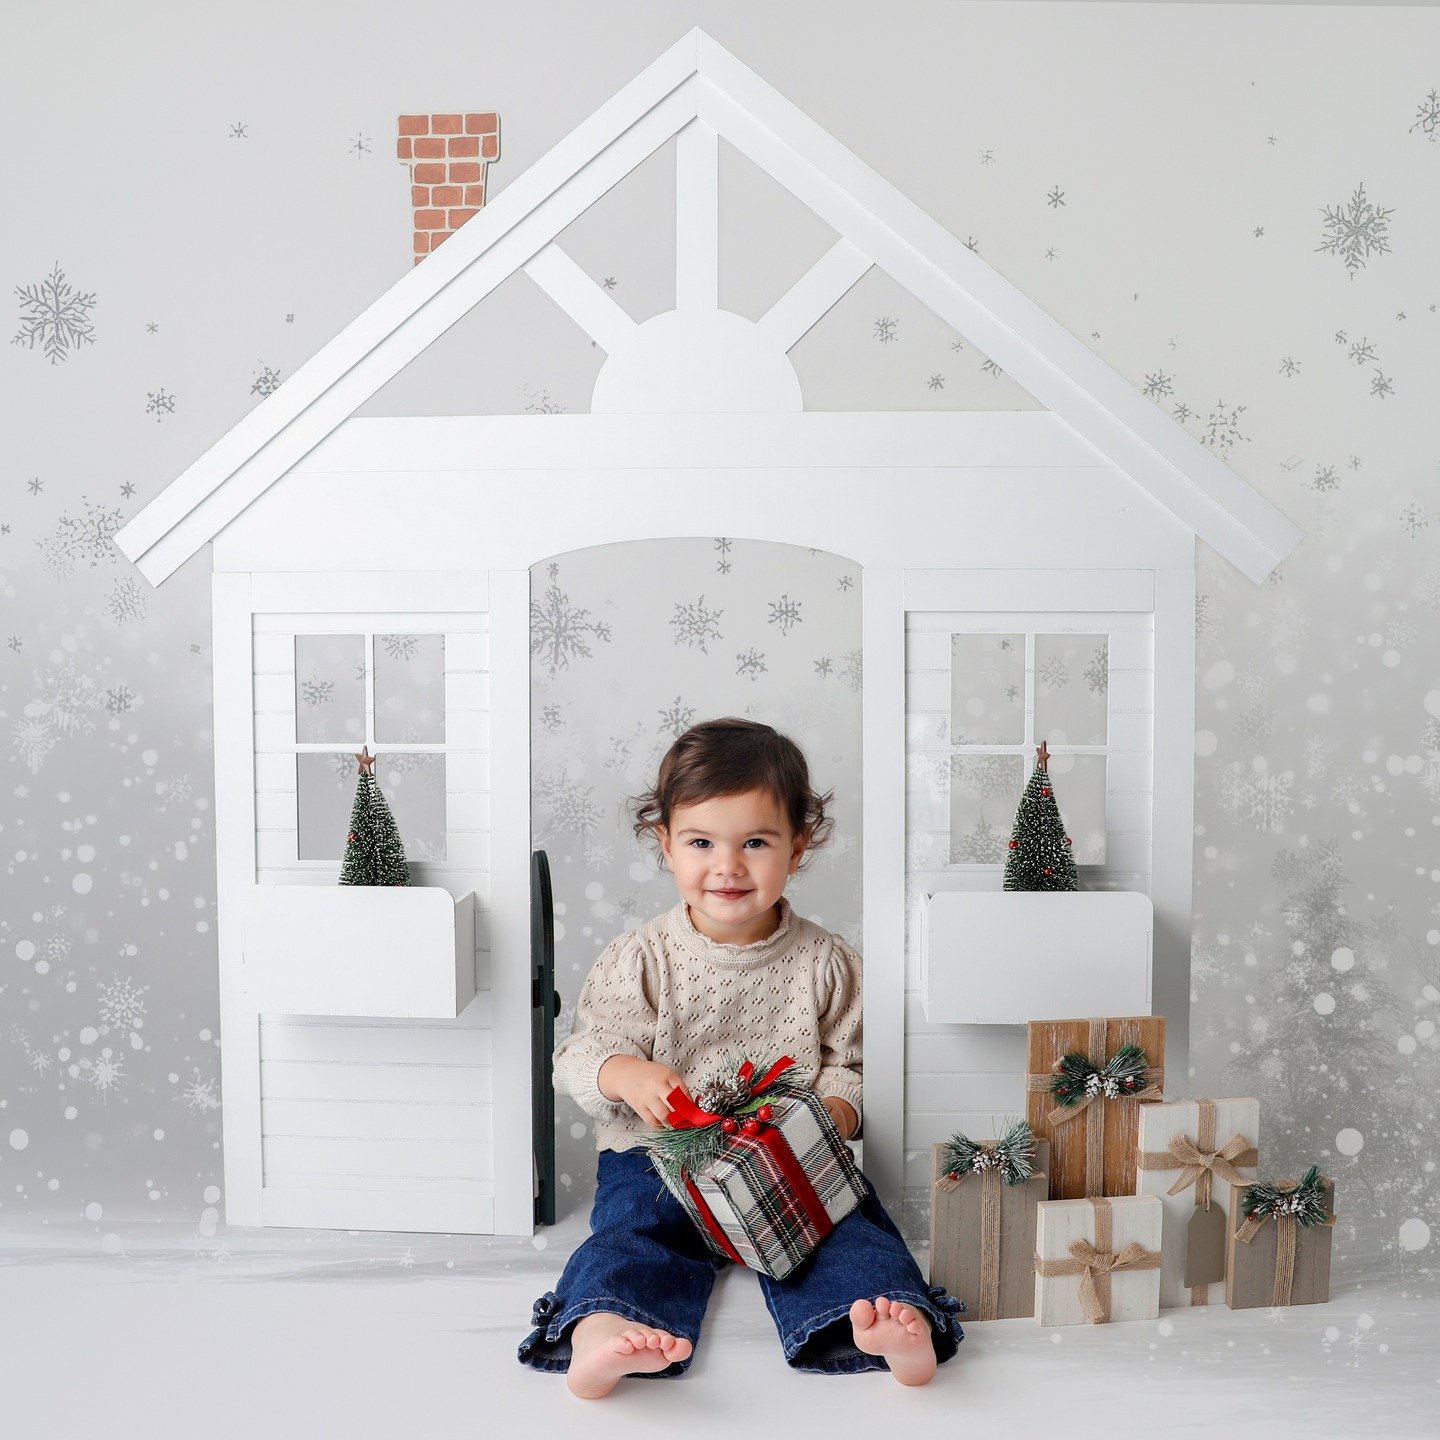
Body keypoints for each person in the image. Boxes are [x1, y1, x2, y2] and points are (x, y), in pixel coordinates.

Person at [517, 717, 964, 1395]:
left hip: (783, 1161)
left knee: (848, 1228)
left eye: (755, 842)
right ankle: (603, 1329)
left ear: (798, 846)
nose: (727, 866)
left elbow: (851, 1063)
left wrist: (831, 1115)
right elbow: (583, 1051)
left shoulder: (826, 962)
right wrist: (625, 1073)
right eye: (701, 842)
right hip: (659, 1156)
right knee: (634, 1233)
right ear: (666, 844)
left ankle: (882, 1321)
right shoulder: (642, 957)